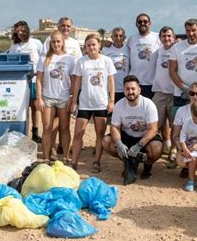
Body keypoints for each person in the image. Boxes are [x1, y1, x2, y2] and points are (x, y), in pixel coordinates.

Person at [102, 75, 163, 185]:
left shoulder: (148, 104)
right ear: (124, 91)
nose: (130, 92)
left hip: (144, 137)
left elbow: (153, 129)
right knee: (106, 142)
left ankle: (147, 164)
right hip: (127, 135)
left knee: (156, 148)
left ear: (139, 90)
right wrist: (119, 143)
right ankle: (129, 162)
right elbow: (114, 127)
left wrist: (139, 145)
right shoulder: (119, 105)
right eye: (127, 89)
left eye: (133, 89)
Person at [69, 34, 116, 172]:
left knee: (100, 134)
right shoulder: (81, 62)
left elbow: (111, 82)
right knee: (78, 133)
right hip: (84, 103)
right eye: (88, 45)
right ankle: (74, 162)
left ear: (99, 46)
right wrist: (74, 101)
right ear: (85, 47)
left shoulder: (106, 61)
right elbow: (77, 83)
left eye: (94, 44)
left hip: (101, 103)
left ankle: (96, 161)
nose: (91, 47)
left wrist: (111, 100)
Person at [35, 30, 76, 163]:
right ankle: (46, 157)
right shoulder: (43, 58)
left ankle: (65, 157)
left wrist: (72, 98)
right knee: (47, 129)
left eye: (58, 41)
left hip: (64, 99)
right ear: (50, 42)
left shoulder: (69, 59)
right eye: (53, 41)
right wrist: (39, 98)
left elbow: (74, 81)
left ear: (63, 42)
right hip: (47, 98)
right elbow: (39, 80)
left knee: (64, 129)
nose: (56, 44)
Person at [7, 20, 43, 143]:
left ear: (27, 30)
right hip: (21, 82)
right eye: (18, 32)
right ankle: (23, 133)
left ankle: (35, 132)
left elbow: (42, 59)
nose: (21, 33)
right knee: (23, 108)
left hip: (34, 80)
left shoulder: (36, 43)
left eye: (22, 30)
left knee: (35, 107)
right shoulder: (15, 47)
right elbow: (11, 62)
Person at [151, 26, 176, 160]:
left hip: (174, 93)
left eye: (169, 36)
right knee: (155, 124)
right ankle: (156, 150)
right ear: (160, 38)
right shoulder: (157, 51)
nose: (166, 38)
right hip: (159, 92)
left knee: (175, 125)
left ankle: (173, 151)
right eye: (164, 36)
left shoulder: (178, 49)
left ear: (173, 37)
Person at [126, 13, 161, 99]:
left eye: (145, 21)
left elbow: (169, 45)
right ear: (136, 24)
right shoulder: (131, 39)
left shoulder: (158, 37)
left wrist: (177, 41)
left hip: (152, 84)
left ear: (150, 23)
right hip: (135, 83)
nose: (142, 23)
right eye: (140, 21)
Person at [102, 27, 130, 103]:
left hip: (124, 89)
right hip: (109, 89)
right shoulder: (105, 50)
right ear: (112, 37)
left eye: (120, 36)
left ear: (124, 37)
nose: (118, 38)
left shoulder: (128, 49)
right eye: (116, 35)